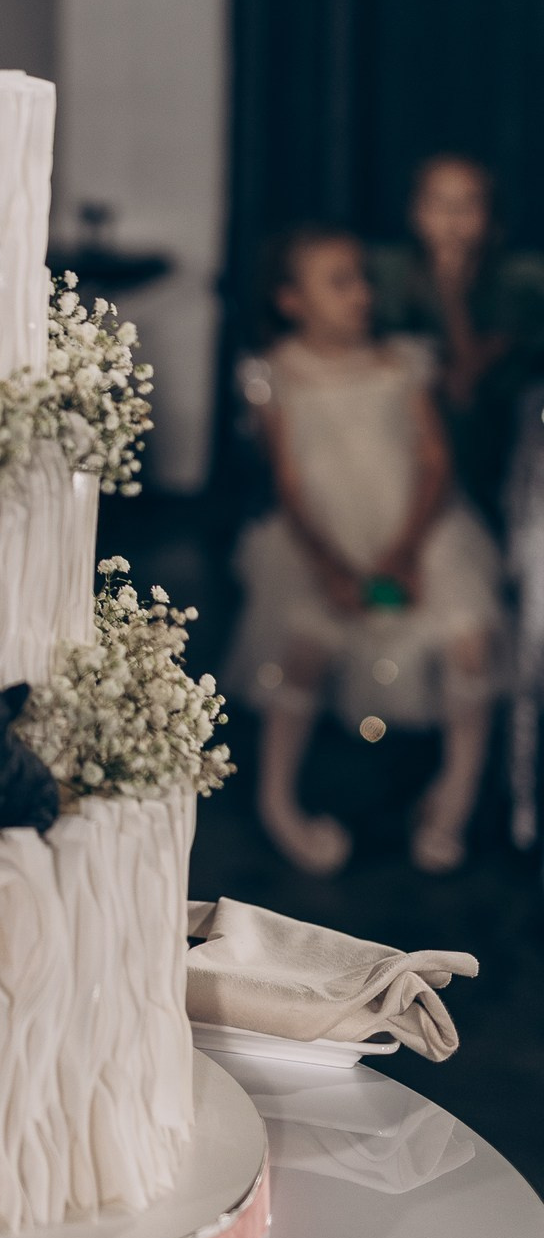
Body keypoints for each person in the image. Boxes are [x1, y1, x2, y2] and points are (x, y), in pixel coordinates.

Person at [228, 225, 504, 878]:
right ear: (291, 300)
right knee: (299, 647)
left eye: (362, 278)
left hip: (416, 532)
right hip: (323, 540)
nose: (361, 294)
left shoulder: (402, 361)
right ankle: (280, 806)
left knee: (470, 639)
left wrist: (406, 553)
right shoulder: (273, 375)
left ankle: (452, 800)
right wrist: (329, 565)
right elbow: (290, 485)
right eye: (340, 281)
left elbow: (436, 463)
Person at [368, 152, 544, 529]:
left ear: (491, 216)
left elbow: (466, 382)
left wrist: (451, 292)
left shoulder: (519, 282)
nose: (453, 218)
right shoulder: (387, 273)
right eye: (440, 204)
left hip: (491, 432)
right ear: (415, 211)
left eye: (468, 204)